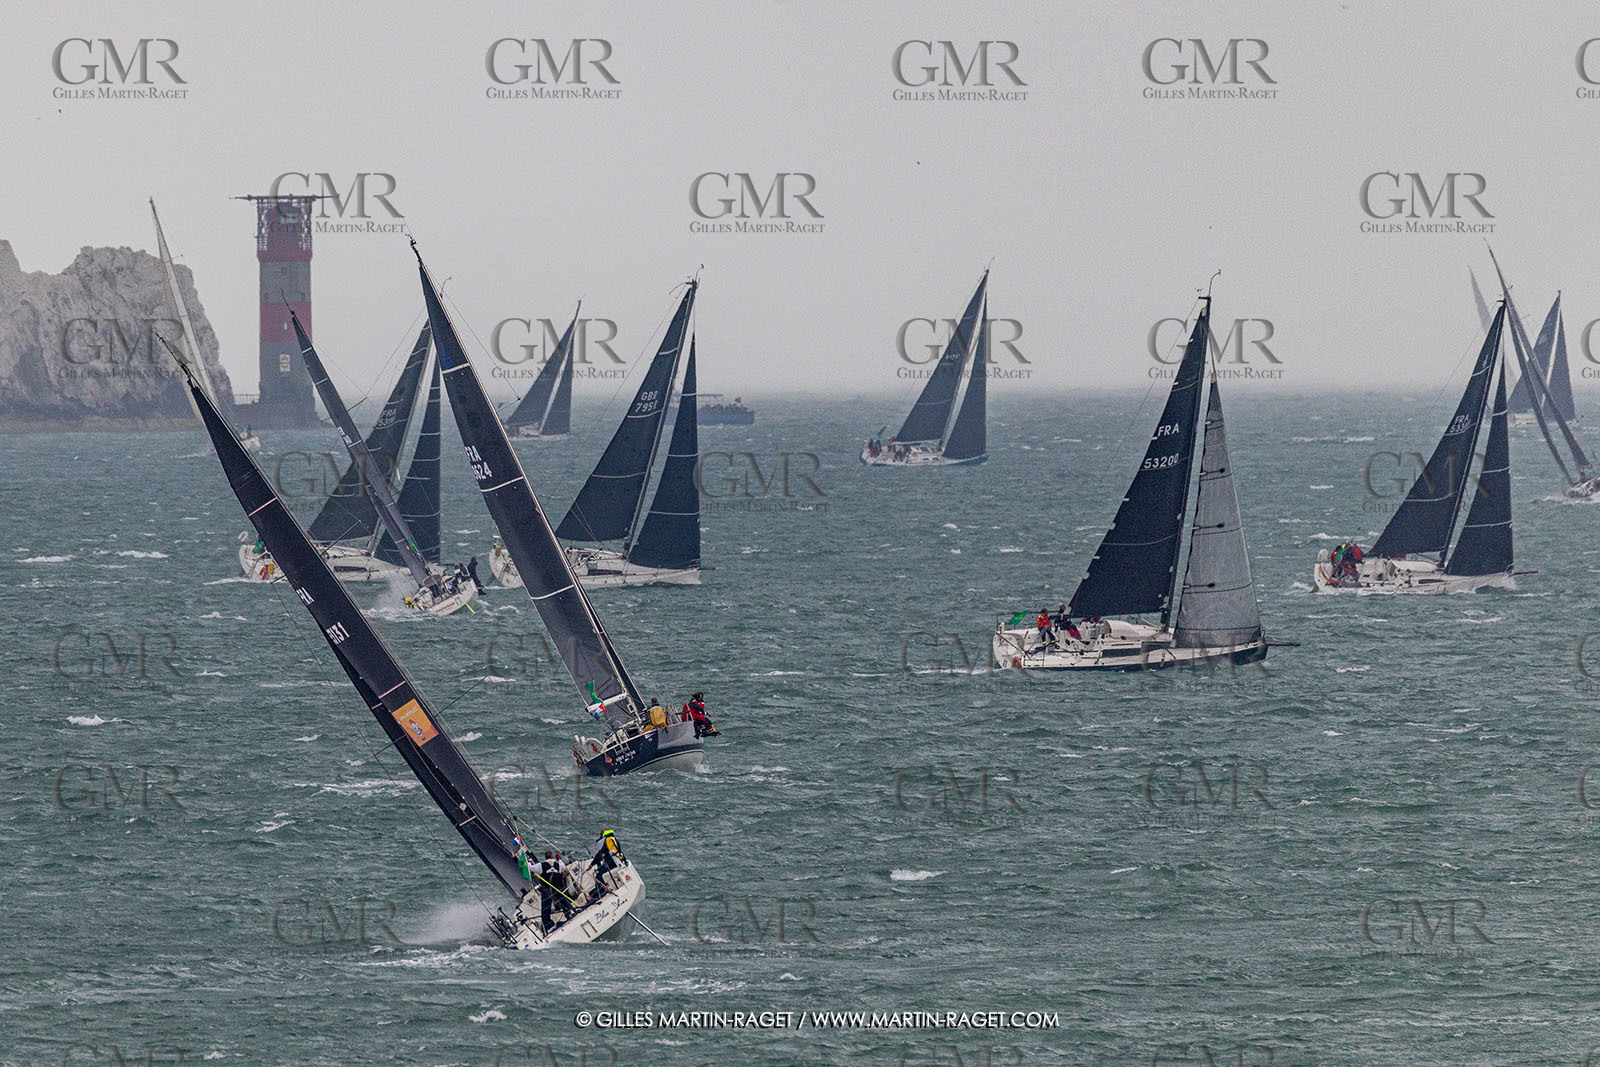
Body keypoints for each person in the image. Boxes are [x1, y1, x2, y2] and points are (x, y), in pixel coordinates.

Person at [588, 829, 624, 903]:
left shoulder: (607, 840)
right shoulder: (614, 839)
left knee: (599, 876)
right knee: (602, 873)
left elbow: (600, 854)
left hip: (610, 862)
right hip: (618, 860)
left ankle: (598, 895)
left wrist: (592, 864)